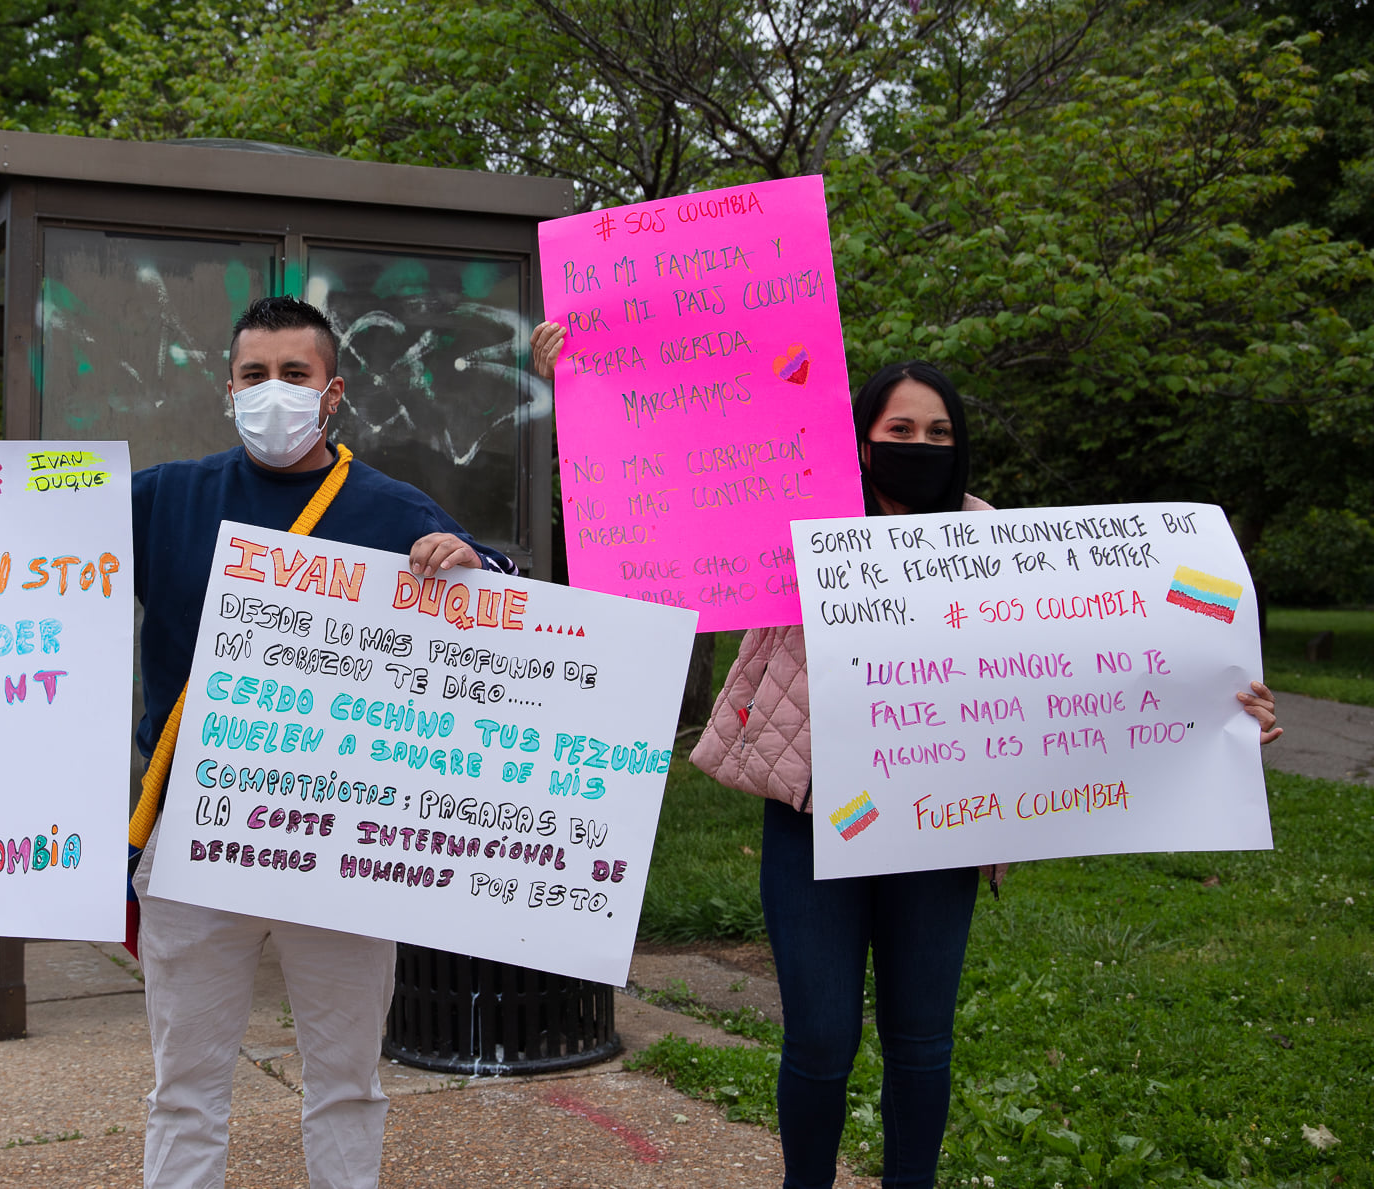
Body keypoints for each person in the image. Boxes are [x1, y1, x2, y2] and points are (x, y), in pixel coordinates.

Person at [531, 325, 1281, 1189]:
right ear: (862, 439)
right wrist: (581, 394)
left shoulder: (1003, 546)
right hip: (814, 818)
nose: (920, 446)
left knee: (921, 1040)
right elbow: (670, 502)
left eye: (939, 433)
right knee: (819, 1038)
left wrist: (1221, 712)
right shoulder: (796, 517)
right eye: (901, 430)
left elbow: (1102, 655)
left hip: (940, 828)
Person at [0, 296, 511, 1189]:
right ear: (228, 388)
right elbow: (32, 532)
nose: (273, 390)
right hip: (194, 836)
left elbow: (510, 616)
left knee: (348, 1083)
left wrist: (472, 563)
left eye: (295, 373)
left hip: (341, 841)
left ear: (334, 392)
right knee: (185, 1088)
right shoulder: (169, 497)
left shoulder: (395, 511)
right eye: (255, 374)